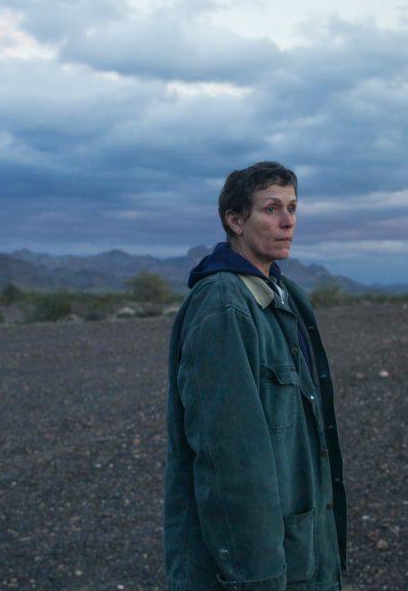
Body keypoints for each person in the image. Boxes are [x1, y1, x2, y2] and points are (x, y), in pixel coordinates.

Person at [164, 162, 347, 590]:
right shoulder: (224, 306)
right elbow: (230, 460)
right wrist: (259, 577)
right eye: (271, 209)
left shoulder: (286, 296)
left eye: (293, 207)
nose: (288, 222)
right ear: (235, 220)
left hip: (298, 552)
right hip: (257, 568)